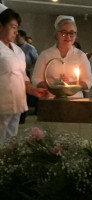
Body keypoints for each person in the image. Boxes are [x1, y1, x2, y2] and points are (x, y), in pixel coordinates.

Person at [0, 5, 48, 144]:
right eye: (13, 27)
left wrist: (33, 90)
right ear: (0, 25)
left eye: (17, 27)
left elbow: (23, 76)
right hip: (2, 103)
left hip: (17, 103)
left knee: (11, 139)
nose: (16, 32)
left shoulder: (17, 50)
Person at [31, 15, 92, 98]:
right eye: (64, 32)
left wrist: (70, 85)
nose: (68, 36)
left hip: (74, 101)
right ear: (57, 34)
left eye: (71, 33)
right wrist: (54, 87)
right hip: (51, 99)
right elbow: (36, 79)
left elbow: (88, 81)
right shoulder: (45, 55)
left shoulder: (81, 56)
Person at [16, 29, 39, 123]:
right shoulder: (14, 47)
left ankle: (22, 117)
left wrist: (29, 67)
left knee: (23, 96)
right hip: (16, 73)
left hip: (25, 73)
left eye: (18, 37)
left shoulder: (30, 48)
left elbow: (37, 60)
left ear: (23, 38)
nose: (16, 39)